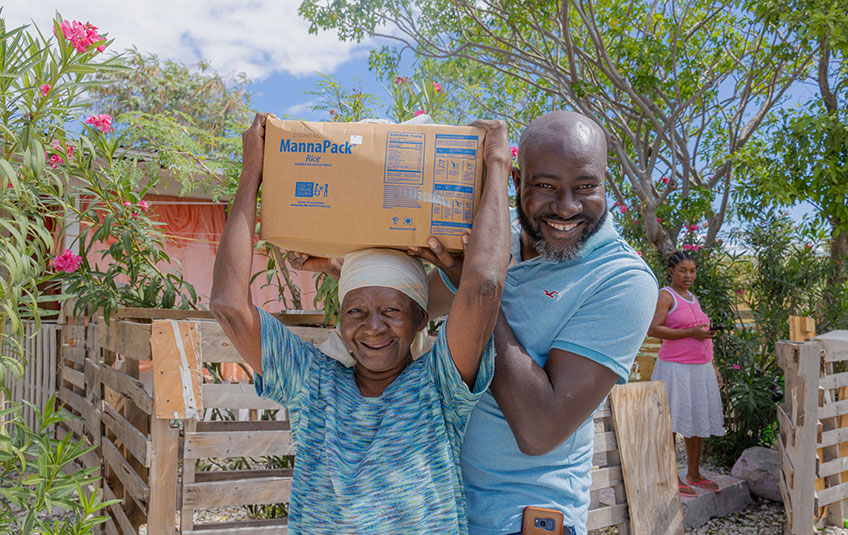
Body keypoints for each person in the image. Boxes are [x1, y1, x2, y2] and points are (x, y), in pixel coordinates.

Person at [210, 112, 512, 535]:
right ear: (340, 317)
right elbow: (228, 305)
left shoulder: (437, 387)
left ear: (420, 318)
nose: (372, 327)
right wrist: (253, 172)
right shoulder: (312, 384)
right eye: (356, 311)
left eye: (391, 311)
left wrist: (497, 162)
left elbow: (483, 285)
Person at [409, 110, 659, 535]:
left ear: (604, 182)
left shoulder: (622, 281)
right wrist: (349, 266)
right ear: (515, 179)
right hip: (439, 509)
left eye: (585, 187)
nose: (567, 207)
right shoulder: (495, 239)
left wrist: (479, 290)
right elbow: (415, 307)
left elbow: (540, 429)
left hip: (522, 518)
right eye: (545, 186)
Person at [647, 250, 725, 497]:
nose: (688, 275)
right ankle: (670, 475)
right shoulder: (665, 295)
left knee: (696, 419)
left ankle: (693, 473)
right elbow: (653, 329)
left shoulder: (693, 297)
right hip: (675, 368)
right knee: (670, 421)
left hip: (700, 369)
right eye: (683, 270)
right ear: (671, 271)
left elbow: (701, 334)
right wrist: (691, 333)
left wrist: (714, 367)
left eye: (692, 270)